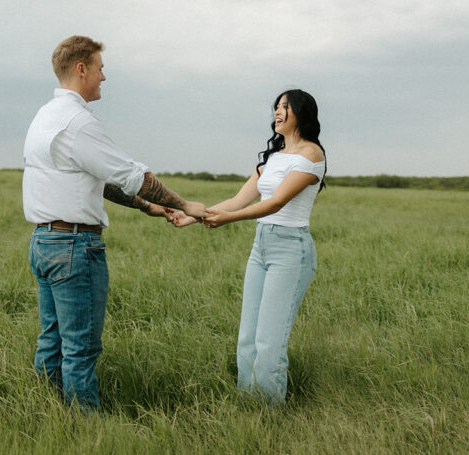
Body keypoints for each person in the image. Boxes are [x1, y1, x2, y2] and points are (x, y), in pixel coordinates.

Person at [22, 35, 209, 411]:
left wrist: (147, 208)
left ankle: (44, 415)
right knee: (80, 348)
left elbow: (100, 180)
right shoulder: (78, 123)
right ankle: (86, 432)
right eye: (100, 68)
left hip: (43, 242)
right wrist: (185, 204)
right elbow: (131, 175)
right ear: (81, 69)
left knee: (52, 340)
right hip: (74, 248)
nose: (103, 77)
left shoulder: (45, 116)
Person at [171, 89, 326, 404]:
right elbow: (238, 199)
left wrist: (229, 219)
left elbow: (276, 202)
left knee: (270, 341)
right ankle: (248, 404)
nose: (277, 113)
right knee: (248, 338)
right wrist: (192, 216)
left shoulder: (312, 155)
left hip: (290, 250)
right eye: (276, 107)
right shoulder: (272, 158)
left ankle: (269, 412)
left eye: (285, 107)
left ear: (301, 112)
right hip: (262, 247)